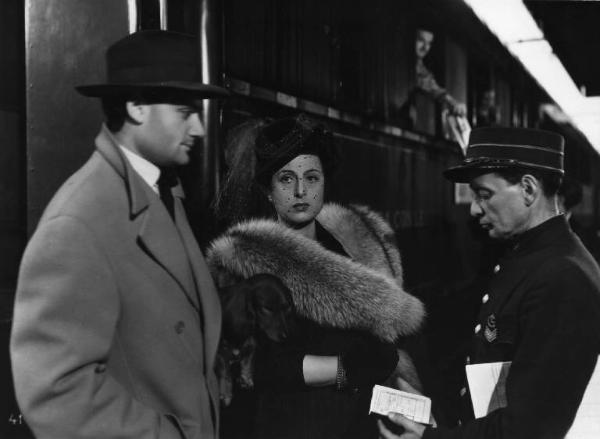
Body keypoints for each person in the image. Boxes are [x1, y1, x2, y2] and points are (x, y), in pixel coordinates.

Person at [10, 30, 229, 439]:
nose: (199, 127)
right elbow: (56, 392)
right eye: (185, 112)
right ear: (136, 107)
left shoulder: (160, 192)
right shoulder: (79, 221)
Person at [206, 115, 426, 439]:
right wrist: (343, 369)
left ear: (324, 182)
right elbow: (253, 367)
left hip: (363, 424)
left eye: (311, 178)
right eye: (285, 180)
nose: (300, 191)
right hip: (294, 425)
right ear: (268, 191)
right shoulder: (244, 260)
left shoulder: (355, 245)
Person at [379, 127, 600, 439]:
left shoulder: (563, 277)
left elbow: (527, 429)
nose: (474, 208)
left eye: (484, 194)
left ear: (528, 189)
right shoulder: (533, 257)